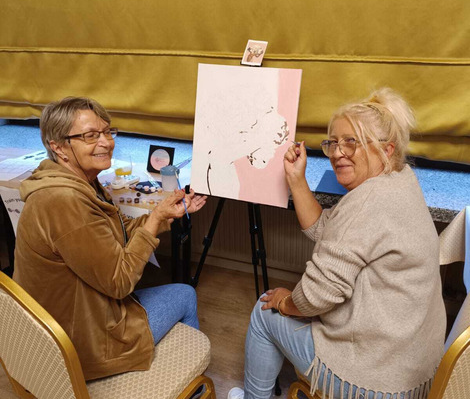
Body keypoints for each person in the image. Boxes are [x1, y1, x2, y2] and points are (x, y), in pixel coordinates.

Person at [228, 88, 446, 399]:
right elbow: (326, 230)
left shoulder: (367, 202)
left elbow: (315, 296)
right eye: (333, 143)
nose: (337, 153)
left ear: (386, 150)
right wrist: (296, 179)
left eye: (351, 142)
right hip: (412, 368)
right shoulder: (400, 181)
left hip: (376, 380)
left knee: (265, 311)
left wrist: (285, 302)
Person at [13, 96, 207, 380]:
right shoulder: (63, 201)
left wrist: (164, 215)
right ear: (59, 147)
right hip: (76, 343)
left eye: (107, 131)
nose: (106, 142)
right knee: (185, 295)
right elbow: (119, 282)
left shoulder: (79, 182)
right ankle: (180, 383)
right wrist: (154, 219)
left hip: (77, 317)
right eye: (90, 135)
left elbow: (121, 231)